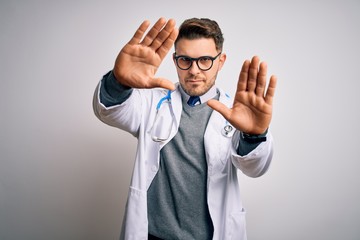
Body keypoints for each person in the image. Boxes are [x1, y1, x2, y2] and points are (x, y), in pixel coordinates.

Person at [93, 17, 277, 240]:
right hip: (153, 235)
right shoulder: (153, 102)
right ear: (174, 59)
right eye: (185, 60)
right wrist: (118, 82)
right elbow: (109, 110)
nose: (194, 70)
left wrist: (254, 134)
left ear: (221, 60)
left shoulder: (236, 112)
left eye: (205, 60)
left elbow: (255, 168)